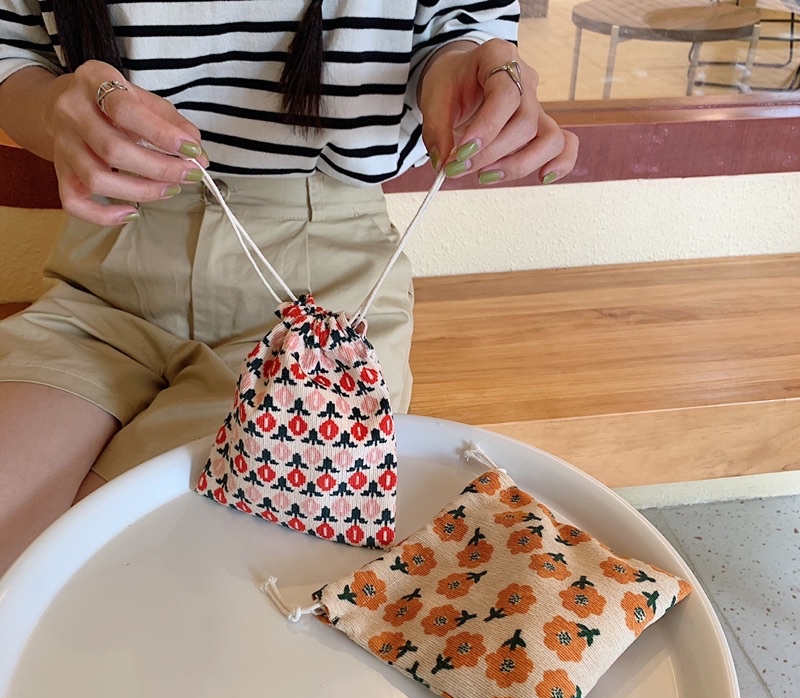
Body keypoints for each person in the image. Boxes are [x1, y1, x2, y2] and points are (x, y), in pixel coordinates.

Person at [0, 1, 578, 572]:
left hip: (323, 295)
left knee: (140, 569)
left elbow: (456, 26)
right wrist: (53, 108)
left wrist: (465, 65)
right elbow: (13, 51)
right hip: (104, 275)